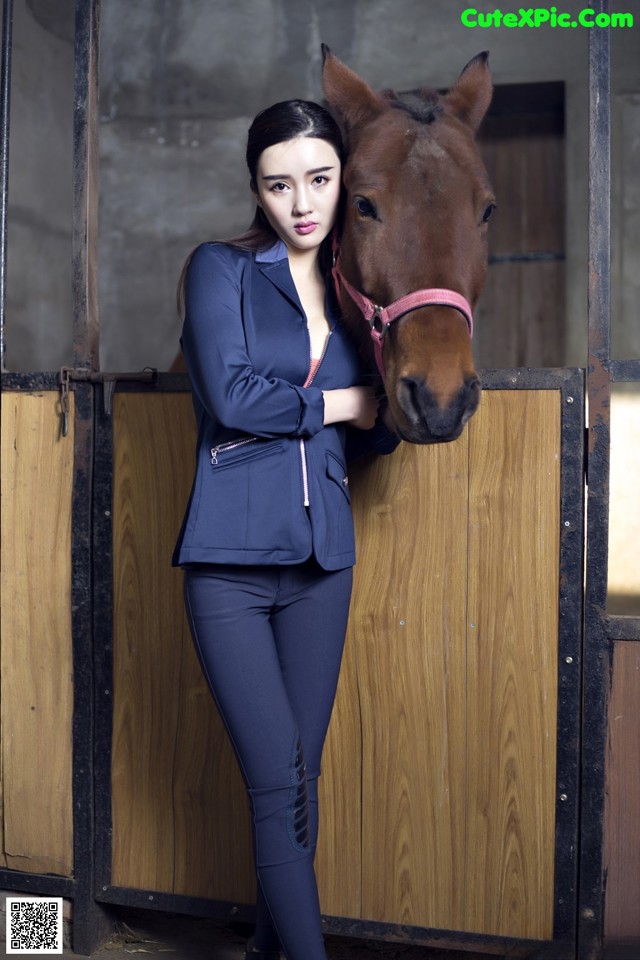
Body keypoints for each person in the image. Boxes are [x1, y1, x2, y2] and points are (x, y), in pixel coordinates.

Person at [172, 99, 398, 960]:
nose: (301, 203)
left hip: (321, 562)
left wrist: (392, 393)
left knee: (300, 782)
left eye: (319, 179)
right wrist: (342, 400)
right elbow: (229, 398)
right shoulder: (219, 270)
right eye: (279, 185)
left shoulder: (358, 291)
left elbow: (376, 434)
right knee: (275, 785)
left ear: (345, 179)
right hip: (227, 565)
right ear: (257, 192)